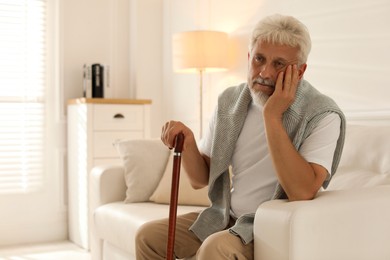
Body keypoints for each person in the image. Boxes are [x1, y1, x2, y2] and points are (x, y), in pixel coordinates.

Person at [136, 13, 346, 259]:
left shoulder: (322, 114)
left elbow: (302, 191)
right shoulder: (230, 101)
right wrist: (190, 141)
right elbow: (200, 179)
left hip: (270, 227)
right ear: (249, 57)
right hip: (226, 216)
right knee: (147, 237)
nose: (265, 72)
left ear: (299, 72)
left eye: (279, 64)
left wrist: (272, 116)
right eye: (259, 59)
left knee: (214, 249)